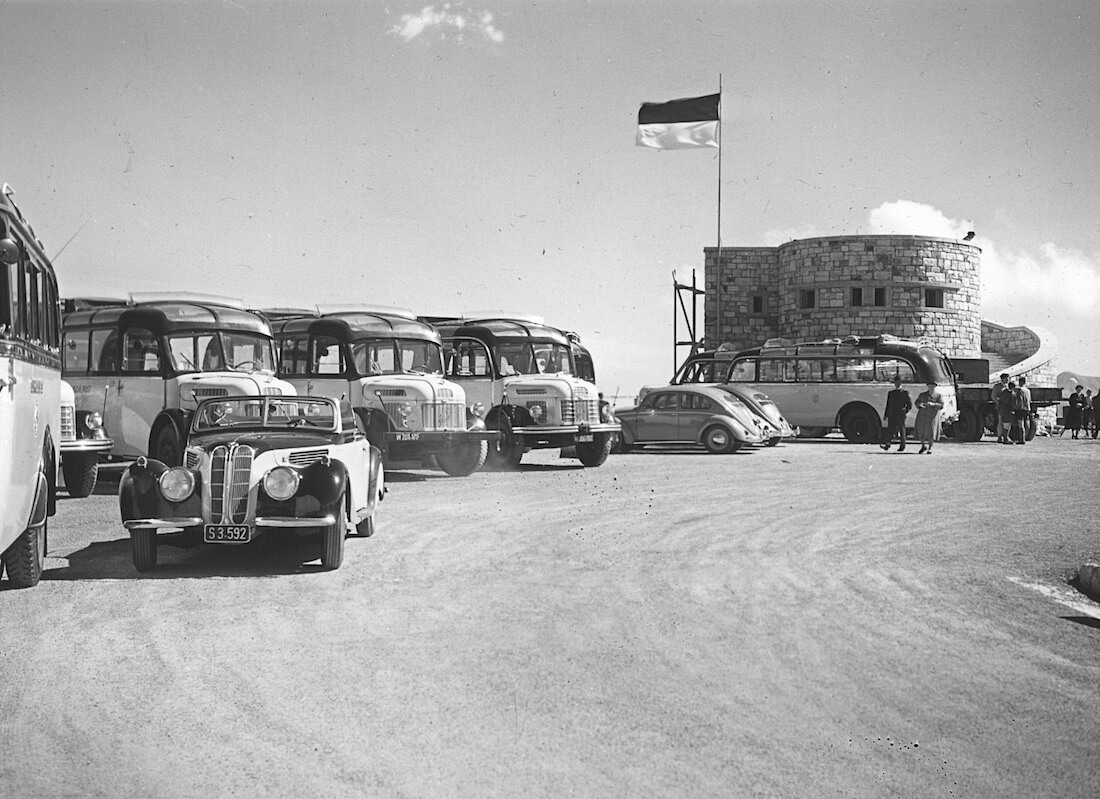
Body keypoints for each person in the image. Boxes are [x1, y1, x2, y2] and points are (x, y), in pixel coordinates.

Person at [880, 375, 912, 452]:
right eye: (896, 382)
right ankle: (887, 444)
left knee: (902, 429)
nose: (897, 384)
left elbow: (909, 404)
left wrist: (904, 411)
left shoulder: (905, 393)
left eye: (898, 382)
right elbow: (888, 404)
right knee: (890, 429)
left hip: (901, 413)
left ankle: (902, 446)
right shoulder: (891, 393)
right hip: (892, 413)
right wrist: (886, 415)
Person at [914, 381, 944, 454]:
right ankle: (923, 446)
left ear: (935, 387)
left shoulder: (938, 396)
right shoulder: (922, 395)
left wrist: (933, 404)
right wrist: (920, 404)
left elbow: (941, 405)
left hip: (932, 417)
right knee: (922, 431)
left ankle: (930, 448)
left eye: (932, 386)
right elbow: (916, 402)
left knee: (931, 431)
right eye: (929, 386)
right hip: (922, 415)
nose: (931, 387)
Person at [991, 372, 1012, 444]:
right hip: (1001, 406)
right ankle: (999, 436)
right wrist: (998, 403)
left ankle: (1005, 435)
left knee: (1007, 422)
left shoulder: (1008, 386)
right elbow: (993, 396)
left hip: (1008, 407)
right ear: (1002, 379)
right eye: (1006, 378)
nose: (1007, 380)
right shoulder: (997, 386)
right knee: (1000, 421)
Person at [997, 375, 1017, 444]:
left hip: (1002, 409)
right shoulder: (1012, 394)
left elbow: (1000, 400)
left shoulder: (1003, 392)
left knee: (1002, 423)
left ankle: (1003, 437)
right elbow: (1014, 403)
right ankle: (1006, 438)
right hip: (1008, 410)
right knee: (1007, 425)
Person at [1013, 376, 1032, 445]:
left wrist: (1016, 407)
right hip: (1027, 408)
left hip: (1021, 408)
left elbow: (1019, 399)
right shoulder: (1028, 390)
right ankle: (1024, 436)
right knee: (1025, 422)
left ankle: (1022, 438)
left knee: (1020, 424)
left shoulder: (1020, 390)